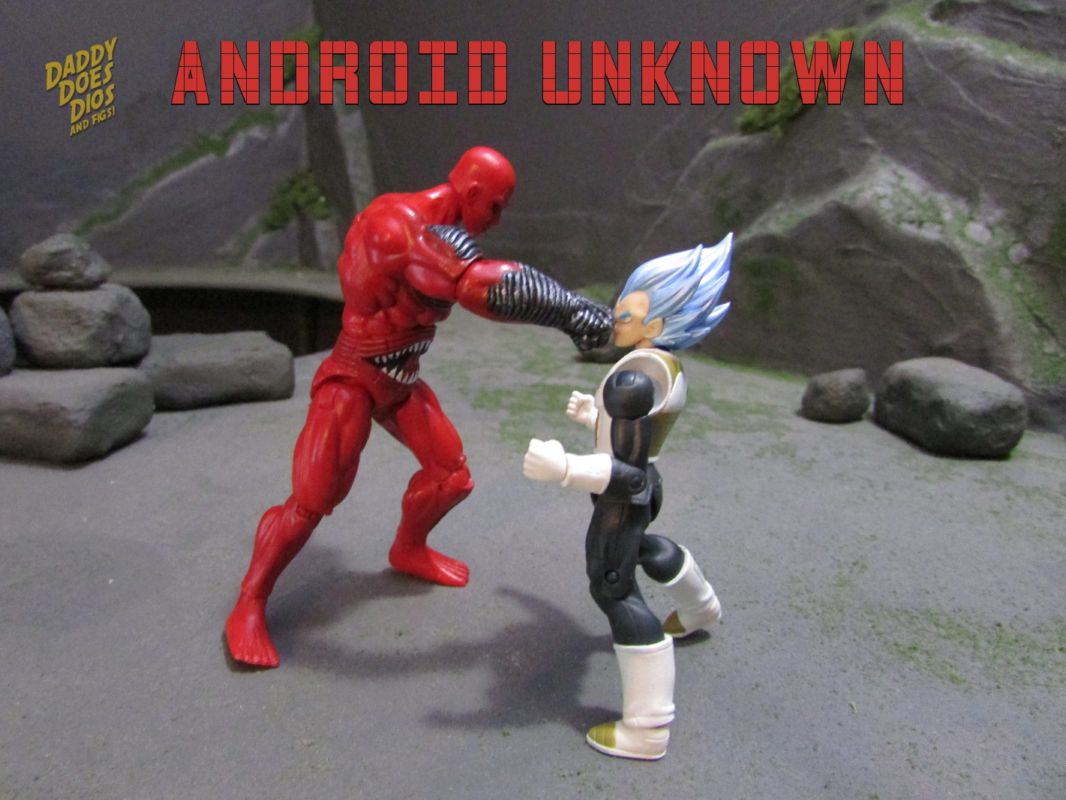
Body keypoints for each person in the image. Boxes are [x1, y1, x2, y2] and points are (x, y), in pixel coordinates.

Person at [226, 146, 612, 668]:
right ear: (471, 193)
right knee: (312, 500)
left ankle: (408, 548)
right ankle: (249, 602)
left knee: (451, 475)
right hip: (353, 377)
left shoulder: (443, 234)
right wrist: (568, 309)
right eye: (495, 207)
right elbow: (475, 286)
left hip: (401, 380)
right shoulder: (398, 229)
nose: (497, 220)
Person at [523, 234, 732, 760]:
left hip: (627, 495)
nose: (614, 318)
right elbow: (634, 440)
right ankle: (701, 607)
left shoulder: (633, 379)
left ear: (655, 326)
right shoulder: (659, 364)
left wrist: (565, 468)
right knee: (639, 548)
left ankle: (647, 727)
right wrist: (594, 419)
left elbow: (626, 472)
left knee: (614, 588)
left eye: (627, 313)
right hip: (644, 487)